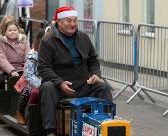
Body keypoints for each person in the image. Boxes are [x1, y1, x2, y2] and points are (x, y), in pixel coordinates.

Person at [38, 6, 113, 136]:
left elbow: (93, 60)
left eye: (75, 20)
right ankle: (50, 130)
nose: (73, 24)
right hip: (59, 87)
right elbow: (44, 68)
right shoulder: (47, 40)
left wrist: (95, 74)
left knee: (103, 87)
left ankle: (108, 124)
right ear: (59, 22)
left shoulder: (83, 37)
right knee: (47, 87)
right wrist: (59, 82)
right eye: (68, 20)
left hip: (83, 85)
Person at [15, 29, 44, 125]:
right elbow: (28, 74)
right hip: (33, 80)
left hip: (46, 80)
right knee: (28, 91)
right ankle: (20, 111)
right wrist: (40, 84)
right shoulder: (33, 55)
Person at [0, 21, 30, 90]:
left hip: (22, 70)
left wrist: (26, 70)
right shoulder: (2, 43)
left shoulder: (24, 42)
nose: (12, 32)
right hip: (6, 71)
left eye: (15, 30)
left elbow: (28, 57)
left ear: (18, 31)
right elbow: (1, 58)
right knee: (0, 81)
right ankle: (1, 99)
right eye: (10, 30)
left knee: (29, 82)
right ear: (5, 32)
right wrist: (11, 71)